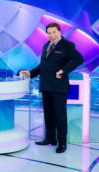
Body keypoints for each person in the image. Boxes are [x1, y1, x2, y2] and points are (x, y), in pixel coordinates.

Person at [22, 23, 84, 153]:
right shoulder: (46, 46)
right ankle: (50, 139)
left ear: (59, 32)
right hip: (45, 86)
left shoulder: (67, 45)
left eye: (54, 32)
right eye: (49, 33)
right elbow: (43, 65)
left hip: (58, 87)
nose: (51, 35)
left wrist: (63, 70)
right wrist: (31, 73)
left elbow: (79, 59)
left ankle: (62, 142)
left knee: (60, 116)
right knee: (48, 115)